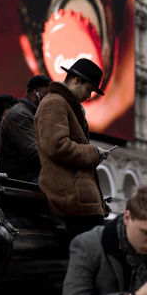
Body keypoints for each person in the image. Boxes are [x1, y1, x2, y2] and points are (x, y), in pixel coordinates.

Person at [35, 58, 112, 238]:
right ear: (77, 80)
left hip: (77, 199)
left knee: (91, 254)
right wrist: (94, 153)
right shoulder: (55, 102)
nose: (89, 96)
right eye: (89, 89)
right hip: (72, 200)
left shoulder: (64, 104)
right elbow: (58, 145)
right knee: (91, 255)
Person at [0, 75, 51, 182]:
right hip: (21, 178)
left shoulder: (34, 114)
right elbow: (32, 152)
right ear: (35, 92)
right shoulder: (20, 114)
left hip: (30, 174)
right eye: (47, 94)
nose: (50, 99)